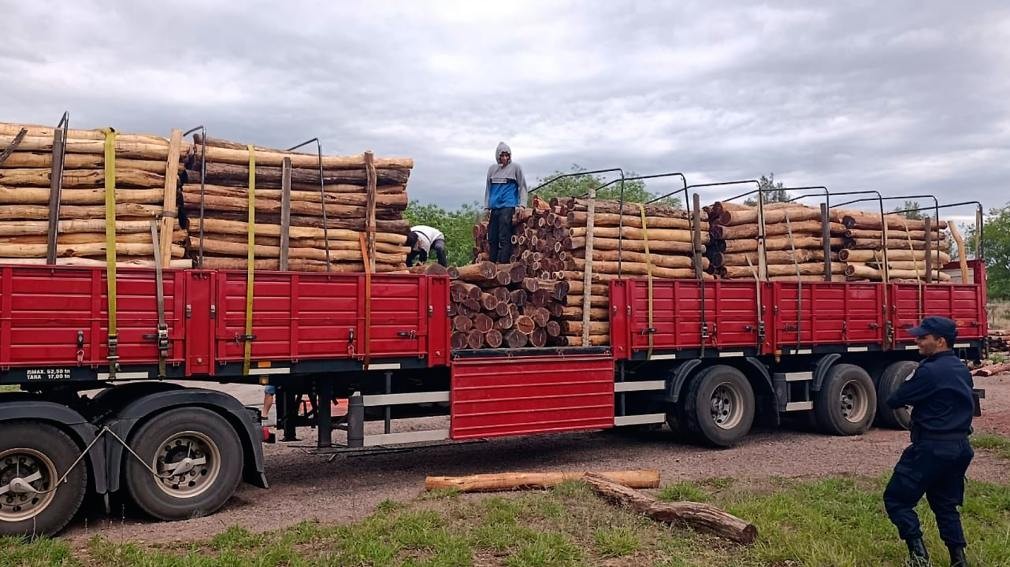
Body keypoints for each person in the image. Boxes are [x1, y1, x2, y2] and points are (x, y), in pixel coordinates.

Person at [883, 316, 975, 567]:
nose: (917, 341)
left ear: (940, 341)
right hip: (960, 447)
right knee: (945, 505)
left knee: (897, 499)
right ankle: (959, 559)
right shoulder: (960, 368)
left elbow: (895, 398)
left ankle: (919, 556)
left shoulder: (929, 371)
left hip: (932, 447)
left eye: (923, 337)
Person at [484, 142, 527, 263]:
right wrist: (486, 207)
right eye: (502, 155)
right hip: (495, 207)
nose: (504, 158)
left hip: (508, 206)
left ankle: (503, 264)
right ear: (497, 156)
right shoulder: (492, 169)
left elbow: (522, 187)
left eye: (507, 155)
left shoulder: (515, 168)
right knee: (492, 237)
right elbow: (488, 188)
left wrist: (522, 205)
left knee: (504, 236)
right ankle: (492, 264)